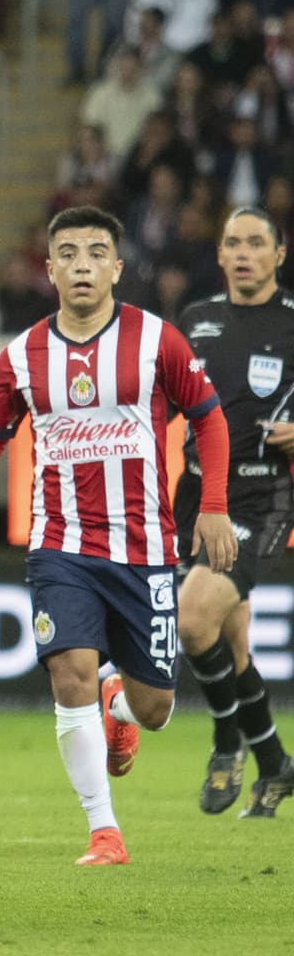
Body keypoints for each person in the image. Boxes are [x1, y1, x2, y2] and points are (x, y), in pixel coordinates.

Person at [0, 205, 237, 866]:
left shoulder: (159, 341)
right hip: (59, 543)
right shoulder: (22, 355)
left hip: (146, 550)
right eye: (67, 253)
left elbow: (209, 420)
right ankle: (104, 830)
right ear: (49, 269)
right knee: (68, 672)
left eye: (96, 252)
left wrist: (213, 504)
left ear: (118, 267)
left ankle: (119, 702)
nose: (82, 265)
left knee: (155, 707)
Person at [173, 206, 294, 817]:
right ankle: (275, 765)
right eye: (231, 243)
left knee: (193, 620)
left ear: (279, 253)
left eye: (255, 243)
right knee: (232, 644)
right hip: (195, 497)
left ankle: (226, 743)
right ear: (219, 256)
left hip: (260, 496)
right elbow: (159, 402)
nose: (243, 252)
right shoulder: (196, 321)